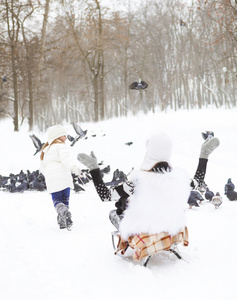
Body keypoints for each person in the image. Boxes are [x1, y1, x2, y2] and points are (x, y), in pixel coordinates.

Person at [77, 131, 220, 234]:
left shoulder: (137, 182)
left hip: (143, 229)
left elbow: (105, 196)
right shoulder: (179, 179)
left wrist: (94, 169)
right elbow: (198, 180)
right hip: (171, 227)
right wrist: (204, 155)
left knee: (114, 213)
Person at [40, 124, 82, 230]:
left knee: (57, 201)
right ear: (57, 136)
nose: (66, 138)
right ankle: (64, 217)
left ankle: (63, 220)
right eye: (64, 135)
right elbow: (66, 160)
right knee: (65, 200)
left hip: (51, 179)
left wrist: (49, 176)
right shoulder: (61, 146)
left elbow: (42, 168)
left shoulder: (45, 150)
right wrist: (75, 168)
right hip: (64, 178)